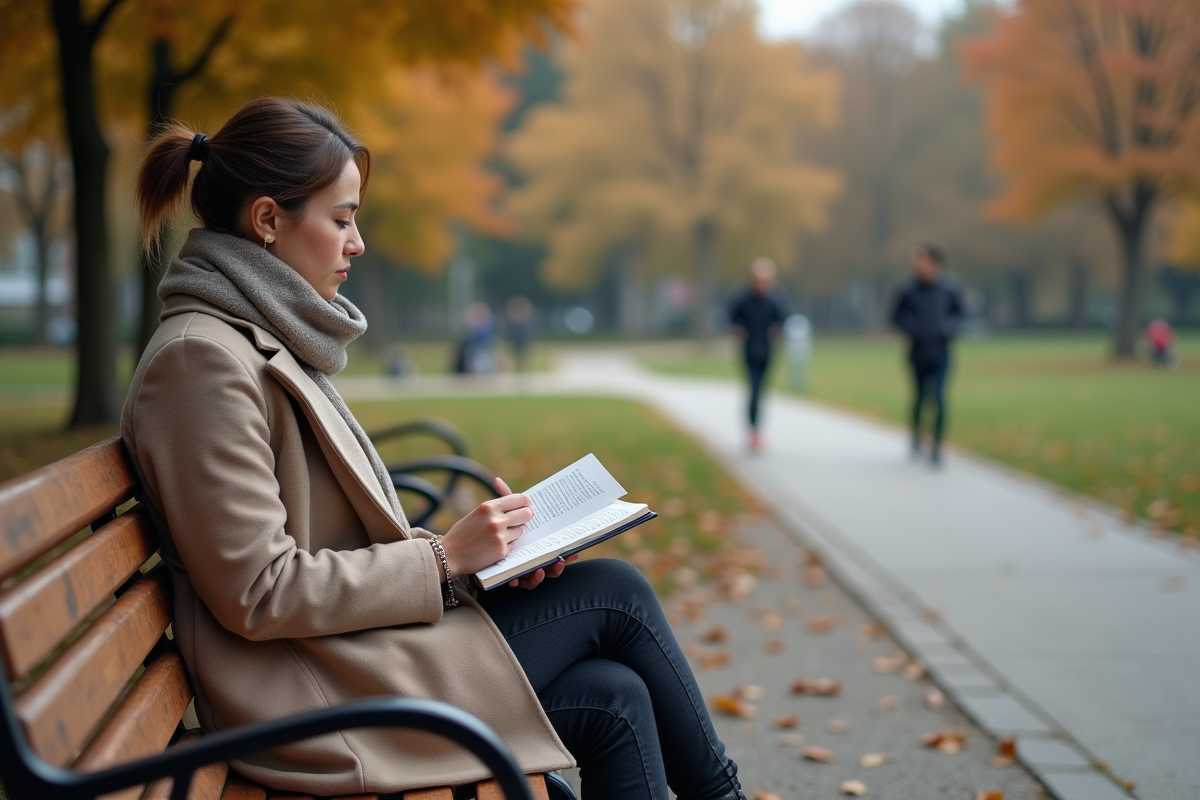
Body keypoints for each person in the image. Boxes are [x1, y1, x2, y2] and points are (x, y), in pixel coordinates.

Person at [125, 97, 744, 800]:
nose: (356, 242)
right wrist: (446, 559)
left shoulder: (252, 338)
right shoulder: (199, 362)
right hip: (307, 696)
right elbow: (258, 591)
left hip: (348, 658)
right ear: (267, 220)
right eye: (341, 219)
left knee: (610, 695)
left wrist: (481, 566)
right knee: (617, 596)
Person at [890, 243, 964, 466]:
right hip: (917, 352)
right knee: (920, 397)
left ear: (934, 262)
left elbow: (960, 315)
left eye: (921, 260)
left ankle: (937, 447)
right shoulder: (907, 289)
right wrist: (913, 329)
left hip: (941, 352)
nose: (916, 265)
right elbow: (896, 317)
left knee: (939, 398)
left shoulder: (949, 289)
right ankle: (915, 438)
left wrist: (948, 329)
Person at [728, 257, 789, 452]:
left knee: (761, 391)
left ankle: (757, 430)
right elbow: (733, 318)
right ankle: (753, 432)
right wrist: (737, 329)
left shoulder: (775, 299)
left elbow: (783, 319)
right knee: (753, 390)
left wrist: (778, 330)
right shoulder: (743, 299)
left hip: (767, 351)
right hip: (749, 351)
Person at [506, 295, 535, 372]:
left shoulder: (524, 318)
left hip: (523, 338)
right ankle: (519, 367)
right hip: (516, 338)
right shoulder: (515, 317)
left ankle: (524, 368)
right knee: (516, 354)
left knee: (524, 354)